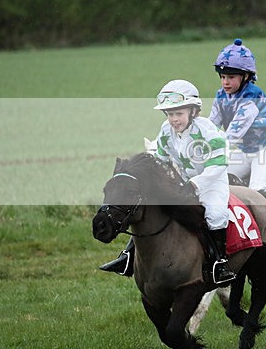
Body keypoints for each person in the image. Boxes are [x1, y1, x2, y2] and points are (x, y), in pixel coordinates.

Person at [100, 79, 236, 285]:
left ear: (193, 111)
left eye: (178, 113)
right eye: (170, 114)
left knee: (215, 214)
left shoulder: (208, 131)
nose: (174, 119)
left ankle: (220, 263)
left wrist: (196, 184)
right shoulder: (166, 130)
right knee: (150, 209)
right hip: (181, 182)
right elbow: (160, 159)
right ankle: (126, 257)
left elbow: (219, 163)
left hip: (211, 184)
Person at [209, 39, 266, 206]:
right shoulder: (221, 95)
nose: (225, 82)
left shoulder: (251, 97)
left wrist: (212, 146)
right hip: (245, 151)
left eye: (231, 77)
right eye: (223, 76)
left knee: (256, 192)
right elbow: (211, 125)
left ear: (246, 76)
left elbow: (234, 132)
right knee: (219, 180)